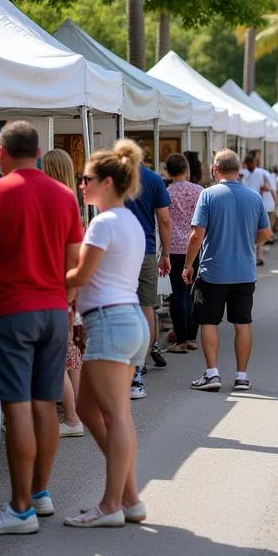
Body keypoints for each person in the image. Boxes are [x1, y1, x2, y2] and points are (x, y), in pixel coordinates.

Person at [0, 122, 84, 535]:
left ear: (1, 152)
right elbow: (76, 261)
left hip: (10, 310)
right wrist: (64, 301)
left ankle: (19, 510)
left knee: (15, 404)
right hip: (54, 310)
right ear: (37, 152)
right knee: (44, 401)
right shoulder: (65, 196)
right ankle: (39, 493)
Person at [64, 140, 148, 527]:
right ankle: (128, 498)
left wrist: (43, 274)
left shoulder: (104, 222)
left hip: (112, 321)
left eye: (87, 179)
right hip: (123, 320)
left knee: (115, 415)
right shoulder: (128, 220)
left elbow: (81, 276)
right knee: (89, 410)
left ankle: (112, 503)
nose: (82, 185)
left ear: (108, 182)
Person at [184, 150, 271, 392]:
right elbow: (266, 233)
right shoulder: (254, 197)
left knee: (209, 322)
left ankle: (212, 373)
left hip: (213, 270)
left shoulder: (208, 195)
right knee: (243, 323)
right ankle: (241, 376)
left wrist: (188, 265)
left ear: (215, 169)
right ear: (239, 169)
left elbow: (196, 236)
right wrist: (246, 242)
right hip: (244, 271)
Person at [41, 148, 85, 438]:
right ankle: (75, 412)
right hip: (70, 283)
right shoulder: (72, 200)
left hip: (52, 284)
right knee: (70, 350)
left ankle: (71, 418)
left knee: (56, 355)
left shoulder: (49, 200)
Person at [124, 159, 171, 400]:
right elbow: (163, 219)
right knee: (146, 306)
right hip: (145, 250)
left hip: (116, 250)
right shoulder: (153, 179)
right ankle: (140, 366)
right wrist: (166, 253)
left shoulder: (111, 174)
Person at [164, 153, 203, 353]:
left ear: (167, 171)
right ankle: (192, 336)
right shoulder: (199, 190)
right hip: (195, 245)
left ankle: (180, 338)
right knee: (193, 292)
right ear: (186, 169)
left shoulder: (166, 192)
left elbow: (162, 221)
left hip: (173, 247)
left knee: (177, 294)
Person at [240, 153, 274, 267]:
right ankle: (258, 256)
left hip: (249, 204)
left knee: (255, 230)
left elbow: (269, 187)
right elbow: (271, 187)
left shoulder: (246, 173)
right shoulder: (246, 173)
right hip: (255, 203)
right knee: (258, 230)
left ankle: (258, 256)